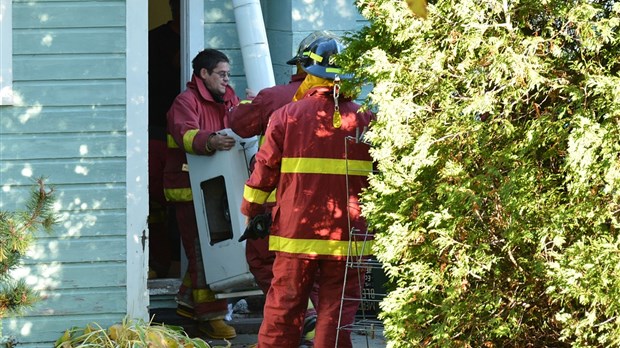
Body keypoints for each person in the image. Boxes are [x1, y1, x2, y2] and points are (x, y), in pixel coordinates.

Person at [240, 35, 375, 348]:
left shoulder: (286, 116)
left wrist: (251, 213)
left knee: (284, 311)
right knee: (336, 315)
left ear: (310, 71)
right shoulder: (367, 121)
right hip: (349, 237)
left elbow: (263, 173)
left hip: (295, 234)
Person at [229, 33, 338, 345]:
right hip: (331, 213)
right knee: (321, 273)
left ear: (302, 66)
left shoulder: (276, 99)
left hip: (279, 207)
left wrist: (251, 101)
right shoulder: (349, 109)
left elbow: (239, 123)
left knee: (269, 266)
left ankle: (304, 322)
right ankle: (315, 325)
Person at [164, 48, 239, 339]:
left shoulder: (228, 96)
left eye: (227, 74)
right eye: (221, 74)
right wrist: (211, 140)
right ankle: (211, 317)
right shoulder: (185, 102)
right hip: (188, 189)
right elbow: (185, 133)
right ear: (203, 74)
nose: (226, 79)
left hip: (216, 186)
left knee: (209, 249)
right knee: (202, 251)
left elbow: (240, 122)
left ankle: (186, 301)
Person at [147, 0, 181, 278]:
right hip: (155, 130)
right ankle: (159, 262)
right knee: (155, 201)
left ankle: (176, 264)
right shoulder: (154, 40)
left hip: (185, 141)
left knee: (181, 208)